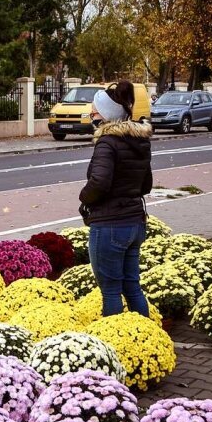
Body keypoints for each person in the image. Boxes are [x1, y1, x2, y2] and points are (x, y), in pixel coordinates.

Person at [79, 81, 153, 318]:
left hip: (110, 224)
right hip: (134, 222)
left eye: (96, 110)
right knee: (132, 286)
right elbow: (146, 184)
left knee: (110, 291)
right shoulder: (139, 141)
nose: (92, 113)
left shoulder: (107, 143)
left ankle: (115, 343)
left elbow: (99, 182)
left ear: (107, 115)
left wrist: (84, 198)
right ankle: (145, 335)